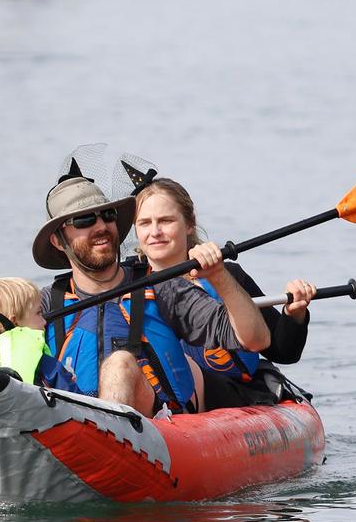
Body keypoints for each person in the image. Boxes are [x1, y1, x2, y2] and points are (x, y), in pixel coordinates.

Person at [34, 176, 271, 418]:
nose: (101, 227)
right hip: (73, 429)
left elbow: (256, 340)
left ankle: (109, 434)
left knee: (120, 364)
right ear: (57, 240)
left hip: (159, 423)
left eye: (108, 216)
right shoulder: (42, 304)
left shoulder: (163, 287)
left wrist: (219, 276)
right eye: (84, 220)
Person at [133, 178, 315, 410]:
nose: (155, 232)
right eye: (145, 223)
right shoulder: (127, 285)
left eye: (166, 221)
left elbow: (284, 352)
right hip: (159, 400)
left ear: (189, 223)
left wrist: (294, 314)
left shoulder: (228, 277)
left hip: (230, 397)